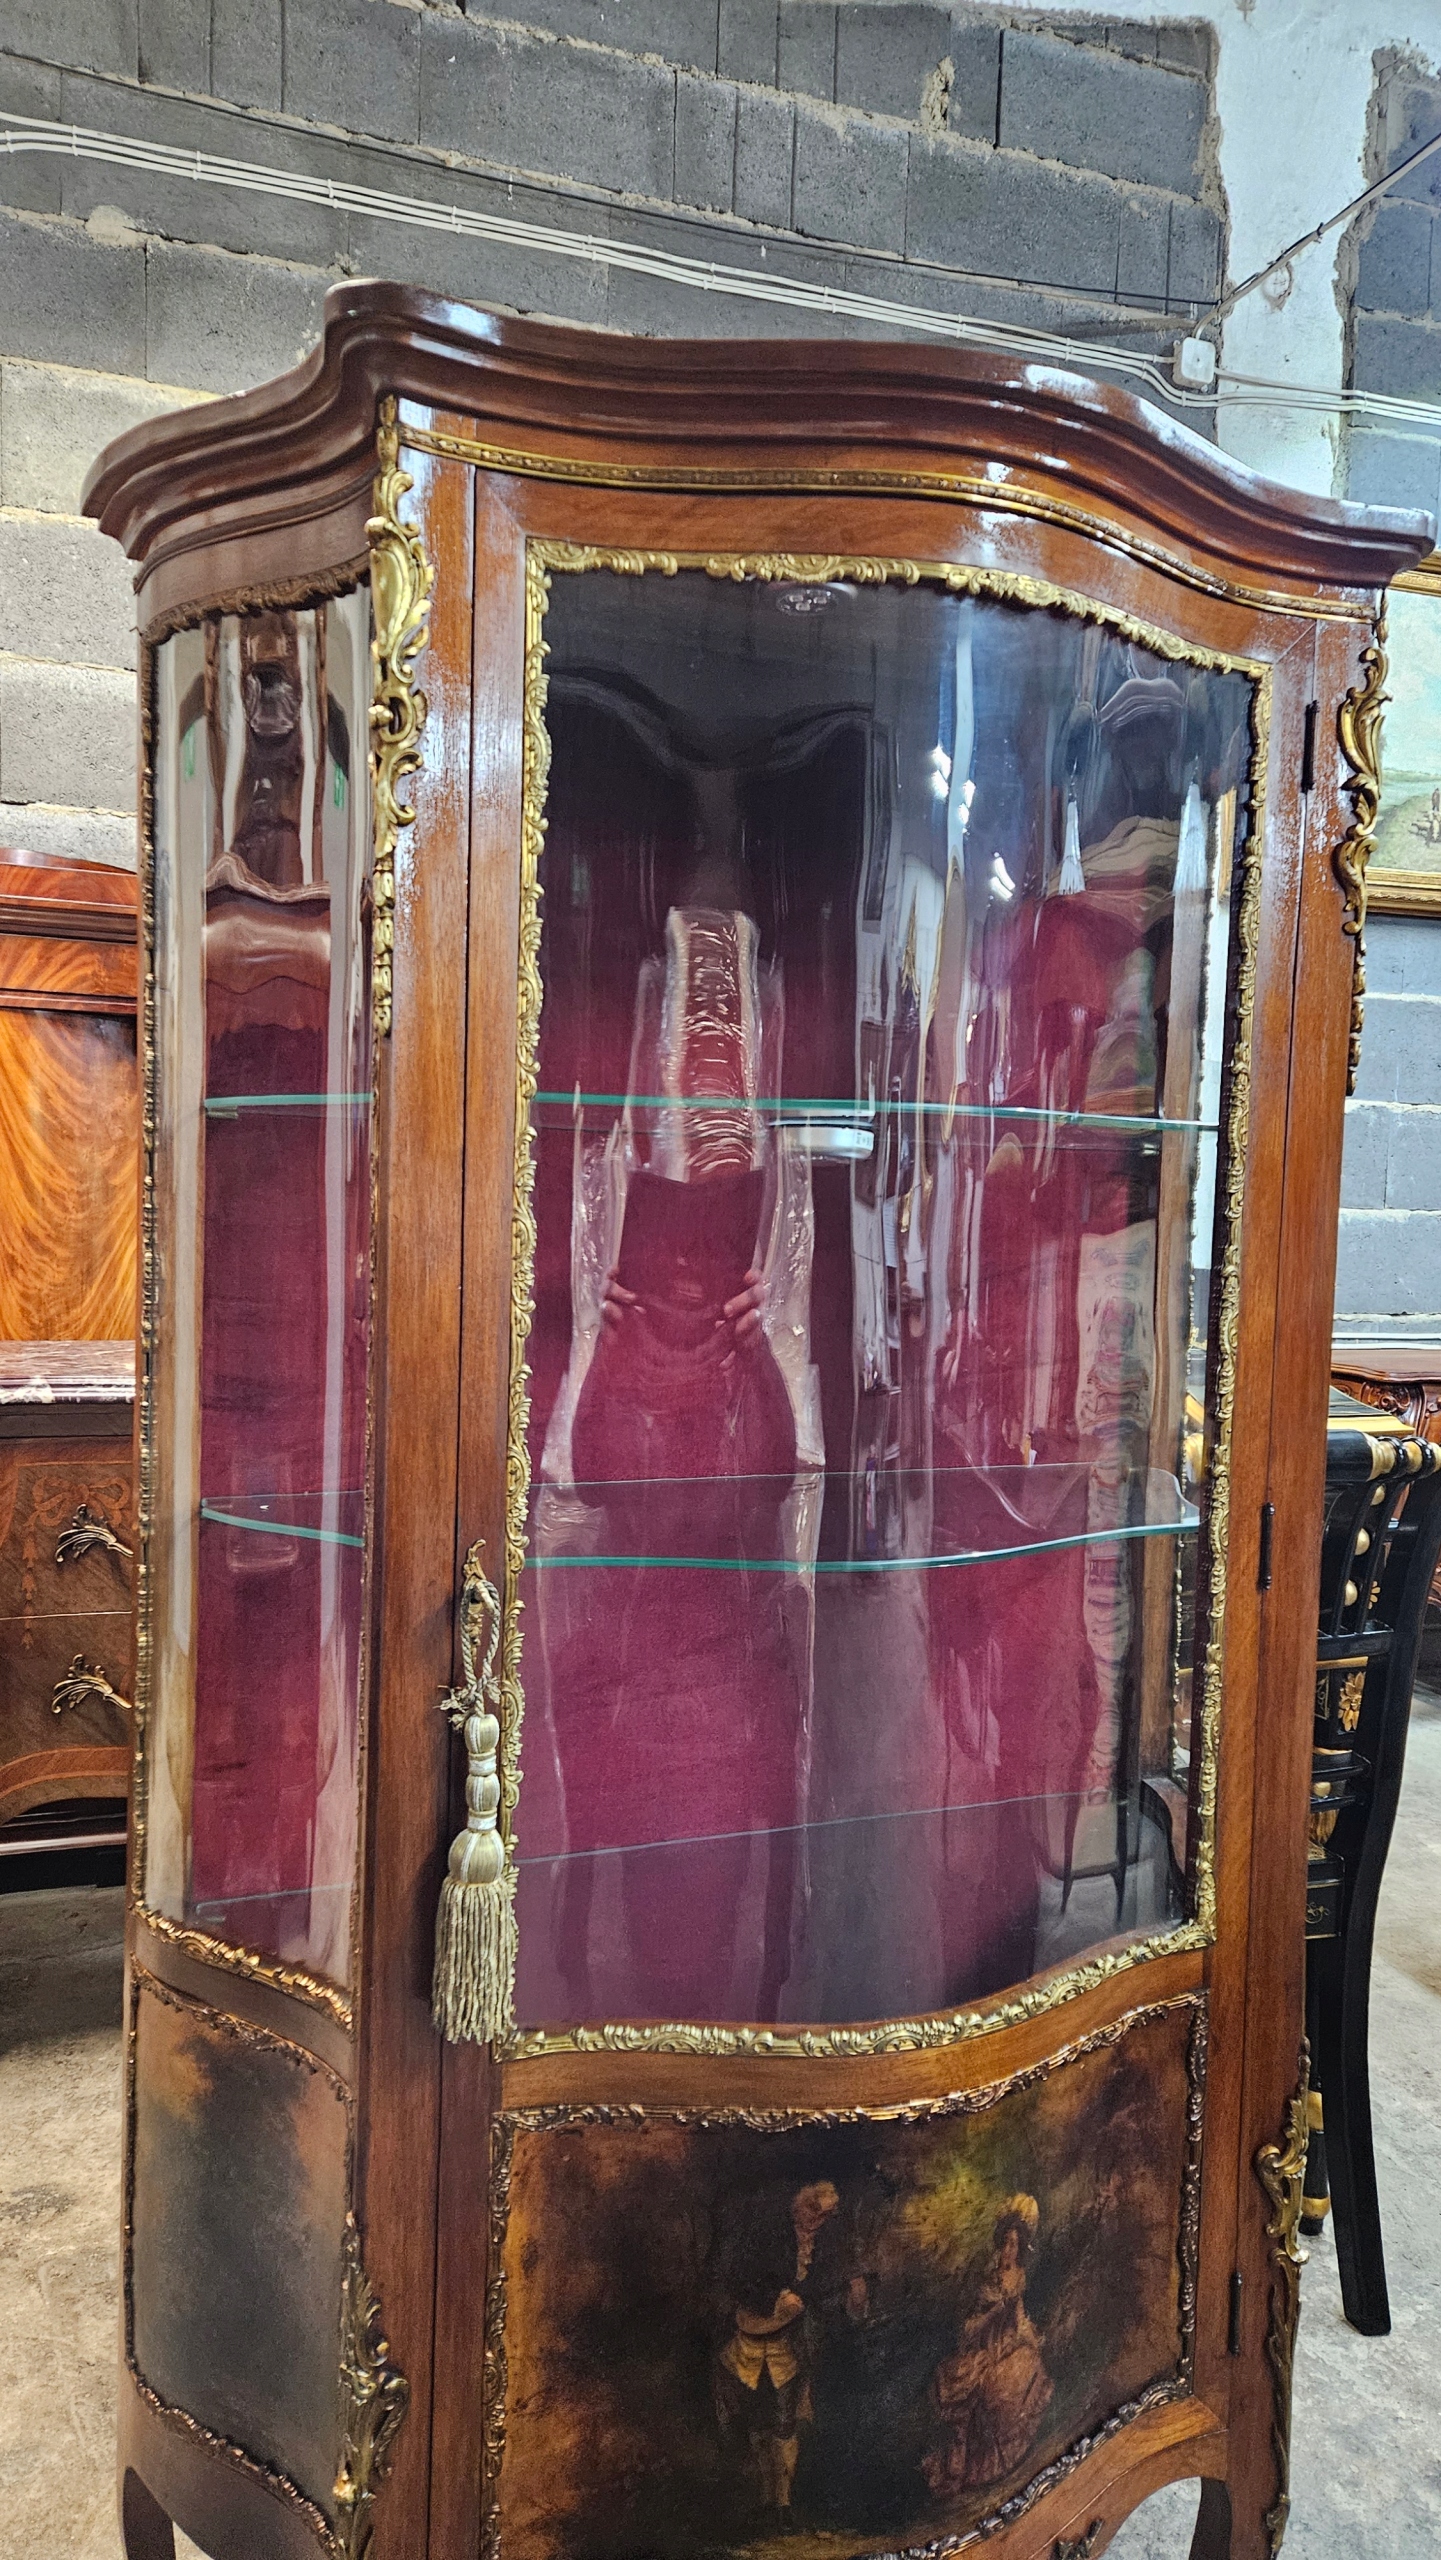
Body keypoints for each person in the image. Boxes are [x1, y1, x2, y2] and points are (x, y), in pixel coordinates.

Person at [714, 2178, 867, 2530]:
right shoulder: (768, 2235)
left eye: (825, 2215)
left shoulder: (827, 2243)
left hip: (792, 2343)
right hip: (753, 2335)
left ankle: (783, 2503)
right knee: (757, 2417)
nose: (817, 2220)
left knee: (785, 2418)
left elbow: (831, 2281)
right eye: (813, 2210)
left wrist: (854, 2283)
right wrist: (775, 2297)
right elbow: (737, 2278)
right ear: (799, 2203)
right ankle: (765, 2498)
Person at [923, 2195, 1053, 2496]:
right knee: (979, 2386)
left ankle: (1001, 2462)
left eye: (1015, 2245)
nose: (1009, 2250)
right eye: (1006, 2243)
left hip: (1005, 2345)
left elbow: (1018, 2316)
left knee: (1026, 2371)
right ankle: (965, 2469)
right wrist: (994, 2311)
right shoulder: (986, 2278)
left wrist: (1029, 2336)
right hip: (980, 2348)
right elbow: (968, 2328)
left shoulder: (1018, 2276)